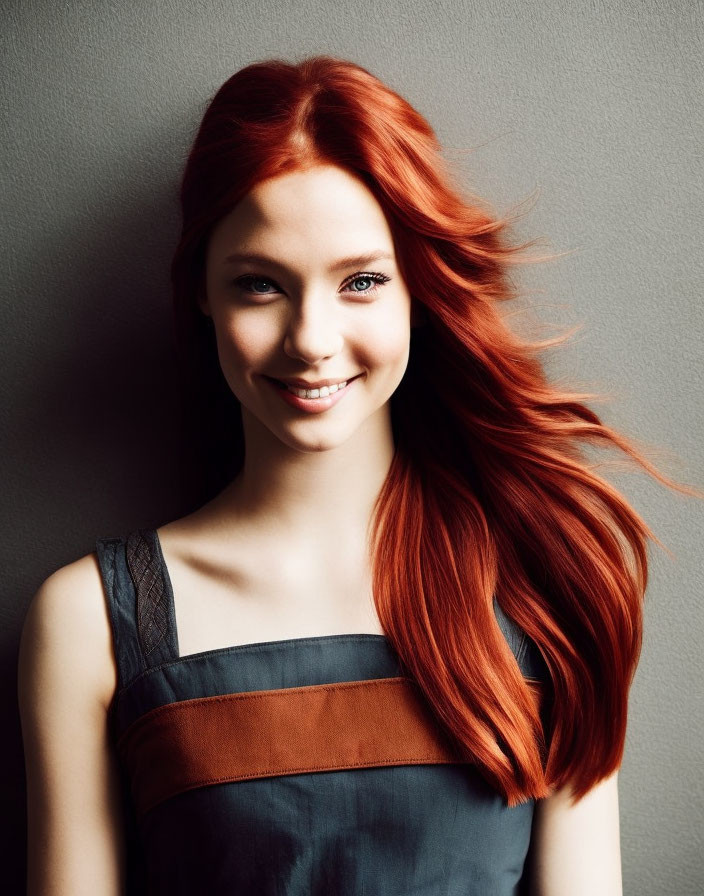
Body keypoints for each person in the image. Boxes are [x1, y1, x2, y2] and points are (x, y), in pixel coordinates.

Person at [17, 55, 697, 896]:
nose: (312, 338)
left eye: (362, 282)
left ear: (419, 289)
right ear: (202, 292)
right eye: (261, 285)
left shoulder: (543, 587)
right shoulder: (90, 623)